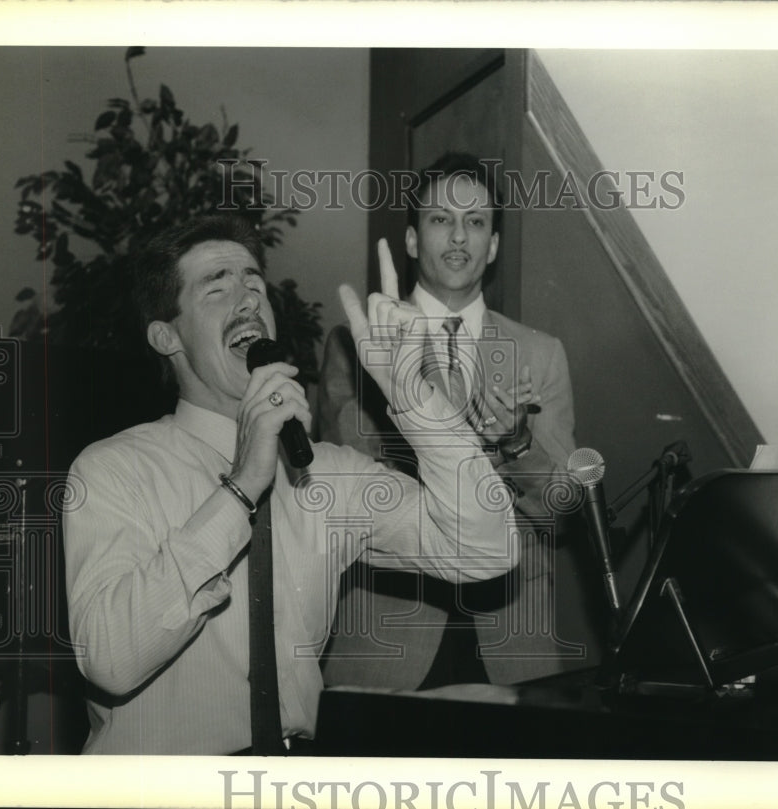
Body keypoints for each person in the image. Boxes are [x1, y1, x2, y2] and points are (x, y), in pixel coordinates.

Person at [62, 214, 517, 755]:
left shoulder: (329, 475)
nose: (248, 299)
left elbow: (487, 549)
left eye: (254, 282)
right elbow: (110, 659)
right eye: (217, 286)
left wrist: (415, 401)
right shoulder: (112, 470)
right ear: (166, 335)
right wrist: (239, 490)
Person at [317, 152, 578, 690]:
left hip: (512, 637)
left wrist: (515, 444)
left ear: (494, 245)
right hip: (388, 631)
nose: (459, 238)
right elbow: (334, 501)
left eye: (476, 222)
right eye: (441, 220)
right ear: (412, 240)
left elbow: (562, 513)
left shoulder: (539, 353)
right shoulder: (356, 345)